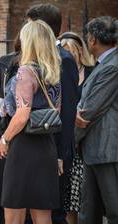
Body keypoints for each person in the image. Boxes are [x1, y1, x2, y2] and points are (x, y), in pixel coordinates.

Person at [0, 19, 61, 224]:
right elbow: (55, 110)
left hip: (23, 146)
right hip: (46, 145)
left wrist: (4, 139)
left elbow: (22, 115)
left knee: (14, 212)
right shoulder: (53, 72)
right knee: (42, 214)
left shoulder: (25, 72)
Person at [25, 4, 79, 223]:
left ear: (41, 28)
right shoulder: (35, 56)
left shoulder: (63, 59)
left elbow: (67, 113)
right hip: (35, 147)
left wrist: (60, 154)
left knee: (53, 211)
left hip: (53, 150)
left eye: (30, 25)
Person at [75, 16, 118, 224]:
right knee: (88, 211)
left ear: (92, 39)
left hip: (108, 151)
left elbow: (89, 111)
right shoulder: (105, 63)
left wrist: (73, 127)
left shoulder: (113, 66)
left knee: (114, 210)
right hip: (94, 150)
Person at [58, 31, 94, 224]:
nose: (67, 56)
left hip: (87, 139)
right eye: (64, 52)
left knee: (86, 196)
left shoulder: (92, 71)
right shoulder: (60, 72)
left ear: (80, 51)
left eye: (71, 51)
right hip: (68, 140)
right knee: (70, 196)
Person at [0, 34, 21, 224]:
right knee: (3, 184)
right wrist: (0, 133)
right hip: (6, 129)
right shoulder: (5, 61)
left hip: (29, 132)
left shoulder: (45, 63)